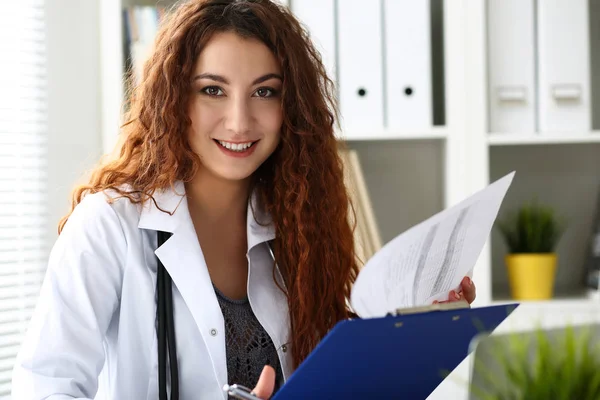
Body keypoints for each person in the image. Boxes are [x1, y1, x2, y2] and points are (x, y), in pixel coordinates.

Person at [11, 0, 477, 399]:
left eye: (265, 92)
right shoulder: (109, 224)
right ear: (175, 99)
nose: (240, 121)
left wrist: (422, 333)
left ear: (290, 107)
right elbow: (45, 386)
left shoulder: (298, 224)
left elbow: (338, 378)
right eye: (212, 90)